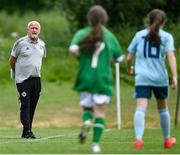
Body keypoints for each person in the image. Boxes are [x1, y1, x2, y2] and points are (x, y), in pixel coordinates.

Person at [69, 5, 124, 153]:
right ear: (104, 19)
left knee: (87, 108)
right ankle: (95, 145)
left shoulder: (82, 33)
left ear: (89, 19)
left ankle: (87, 121)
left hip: (85, 76)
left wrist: (81, 58)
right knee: (100, 113)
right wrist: (108, 60)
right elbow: (119, 58)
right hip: (102, 78)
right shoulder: (110, 36)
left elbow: (73, 50)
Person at [127, 9, 177, 149]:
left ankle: (138, 140)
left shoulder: (139, 35)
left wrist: (129, 67)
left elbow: (129, 57)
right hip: (160, 78)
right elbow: (170, 56)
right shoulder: (167, 36)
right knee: (163, 108)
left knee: (141, 108)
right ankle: (167, 140)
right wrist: (175, 76)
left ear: (148, 20)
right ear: (164, 22)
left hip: (142, 77)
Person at [9, 21, 46, 139]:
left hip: (36, 79)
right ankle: (28, 131)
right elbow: (12, 60)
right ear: (28, 30)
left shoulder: (42, 44)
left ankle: (26, 130)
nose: (34, 30)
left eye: (36, 28)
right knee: (25, 105)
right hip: (23, 80)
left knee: (32, 106)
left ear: (39, 30)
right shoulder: (20, 43)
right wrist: (18, 74)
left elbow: (38, 61)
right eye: (32, 28)